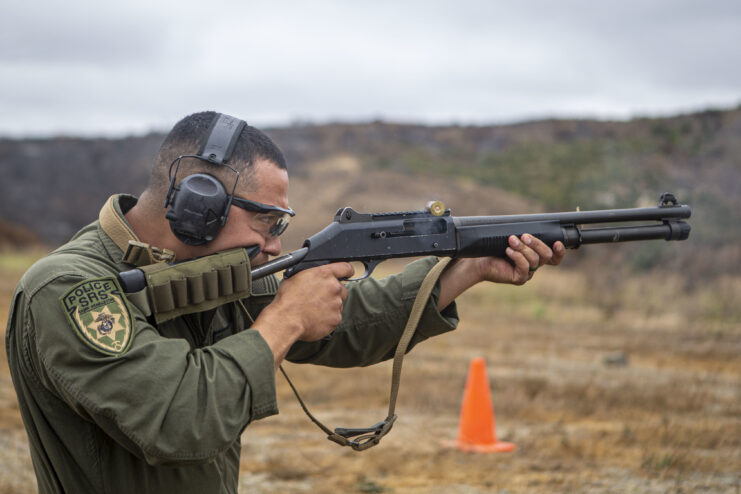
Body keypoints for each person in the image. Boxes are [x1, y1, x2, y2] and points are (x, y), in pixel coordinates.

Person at [6, 111, 565, 494]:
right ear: (199, 205)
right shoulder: (73, 289)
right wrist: (285, 318)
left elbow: (349, 323)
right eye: (265, 222)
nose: (275, 246)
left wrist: (462, 271)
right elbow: (178, 418)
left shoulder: (204, 272)